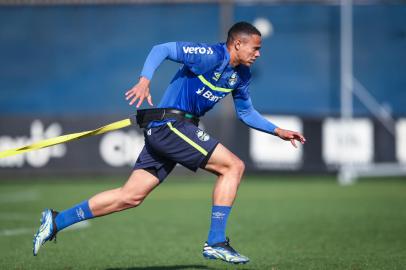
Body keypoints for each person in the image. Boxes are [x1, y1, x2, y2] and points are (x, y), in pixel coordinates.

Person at [33, 21, 306, 264]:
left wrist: (277, 130)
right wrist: (144, 80)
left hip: (174, 129)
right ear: (237, 43)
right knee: (233, 167)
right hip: (170, 126)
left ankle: (56, 221)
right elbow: (161, 49)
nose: (258, 54)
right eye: (255, 48)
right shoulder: (210, 55)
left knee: (131, 196)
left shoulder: (241, 76)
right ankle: (216, 242)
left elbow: (246, 112)